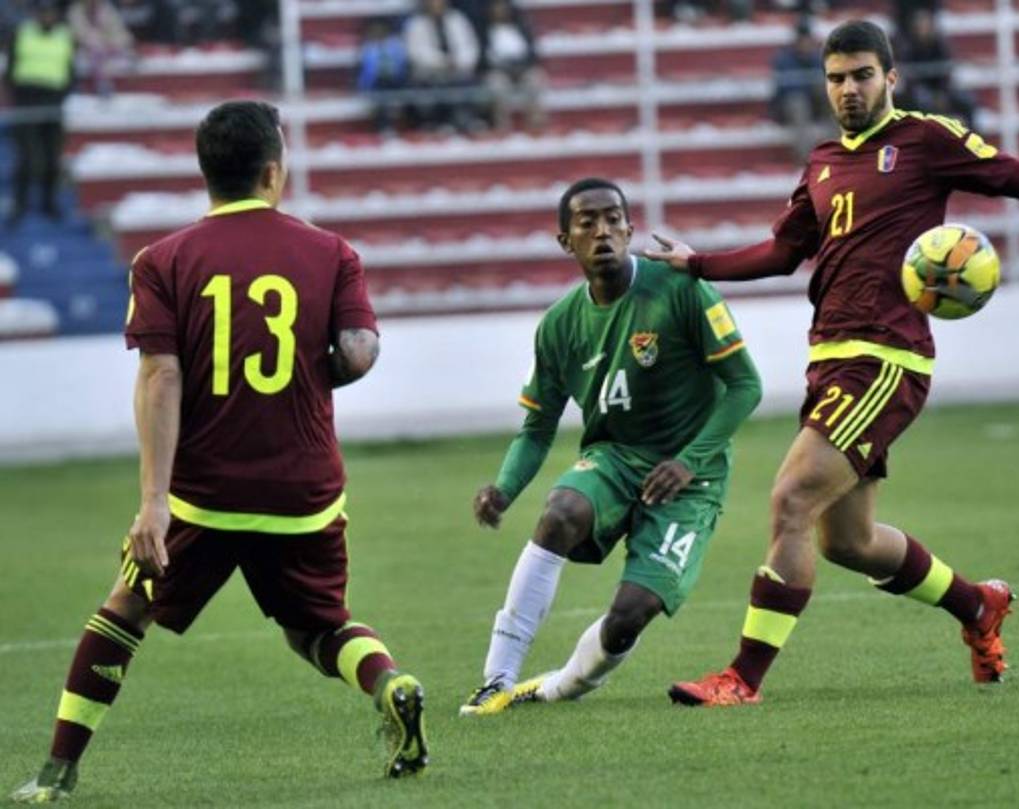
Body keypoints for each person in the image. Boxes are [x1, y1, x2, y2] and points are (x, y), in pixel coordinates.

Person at [647, 19, 1019, 706]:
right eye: (837, 78)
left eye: (862, 75)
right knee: (848, 541)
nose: (849, 89)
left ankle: (742, 678)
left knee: (790, 500)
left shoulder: (925, 139)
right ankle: (977, 605)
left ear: (891, 77)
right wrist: (698, 263)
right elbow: (784, 251)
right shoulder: (822, 162)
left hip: (883, 358)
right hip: (830, 358)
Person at [9, 101, 429, 803]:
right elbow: (359, 351)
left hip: (203, 495)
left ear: (206, 172)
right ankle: (389, 681)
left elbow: (161, 376)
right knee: (318, 625)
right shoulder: (331, 252)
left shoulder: (162, 260)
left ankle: (57, 771)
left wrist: (153, 504)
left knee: (124, 610)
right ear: (273, 171)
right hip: (303, 490)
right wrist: (315, 372)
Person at [460, 178, 763, 715]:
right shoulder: (559, 325)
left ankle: (552, 687)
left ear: (629, 229)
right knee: (561, 512)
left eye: (613, 219)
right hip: (615, 457)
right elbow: (537, 427)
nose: (602, 231)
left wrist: (689, 462)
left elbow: (746, 386)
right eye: (587, 222)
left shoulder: (682, 290)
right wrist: (504, 489)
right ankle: (496, 679)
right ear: (566, 241)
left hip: (692, 477)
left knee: (630, 616)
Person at [4, 0, 73, 226]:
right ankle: (20, 204)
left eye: (50, 12)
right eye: (43, 12)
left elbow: (69, 69)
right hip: (27, 101)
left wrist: (63, 95)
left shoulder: (65, 36)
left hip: (54, 102)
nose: (47, 16)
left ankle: (49, 203)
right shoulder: (22, 33)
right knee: (28, 158)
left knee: (52, 158)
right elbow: (11, 68)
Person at [403, 0, 485, 132]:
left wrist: (460, 62)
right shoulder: (416, 24)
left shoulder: (458, 19)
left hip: (459, 69)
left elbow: (471, 46)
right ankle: (440, 122)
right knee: (436, 83)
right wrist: (444, 62)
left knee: (468, 81)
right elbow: (416, 53)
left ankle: (467, 119)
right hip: (430, 72)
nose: (437, 4)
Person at [770, 19, 835, 164]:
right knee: (798, 104)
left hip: (815, 103)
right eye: (802, 40)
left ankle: (835, 152)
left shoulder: (819, 57)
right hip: (792, 106)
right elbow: (786, 90)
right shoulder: (784, 58)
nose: (805, 43)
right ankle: (807, 159)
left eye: (808, 40)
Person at [478, 0, 545, 132]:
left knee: (535, 79)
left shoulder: (521, 27)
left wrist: (523, 65)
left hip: (522, 68)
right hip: (499, 70)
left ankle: (535, 124)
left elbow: (533, 54)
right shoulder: (484, 31)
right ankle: (502, 126)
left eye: (503, 9)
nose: (500, 12)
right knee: (496, 84)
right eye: (497, 9)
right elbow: (483, 58)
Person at [67, 0, 136, 96]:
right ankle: (100, 85)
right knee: (90, 54)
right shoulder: (76, 11)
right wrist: (98, 41)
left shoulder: (107, 8)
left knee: (128, 55)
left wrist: (114, 42)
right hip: (86, 50)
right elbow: (79, 34)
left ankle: (127, 89)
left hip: (108, 47)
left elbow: (118, 30)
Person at [357, 17, 410, 134]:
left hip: (397, 79)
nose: (378, 33)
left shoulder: (396, 45)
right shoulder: (368, 48)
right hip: (377, 82)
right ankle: (384, 127)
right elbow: (364, 72)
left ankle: (413, 127)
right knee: (381, 95)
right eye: (375, 31)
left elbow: (403, 65)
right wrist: (363, 87)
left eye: (381, 30)